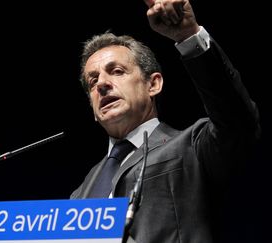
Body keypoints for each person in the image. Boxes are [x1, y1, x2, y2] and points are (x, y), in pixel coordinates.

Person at [70, 0, 261, 242]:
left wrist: (189, 37)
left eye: (117, 71)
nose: (101, 84)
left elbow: (237, 121)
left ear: (153, 84)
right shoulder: (79, 194)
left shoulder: (191, 147)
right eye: (92, 81)